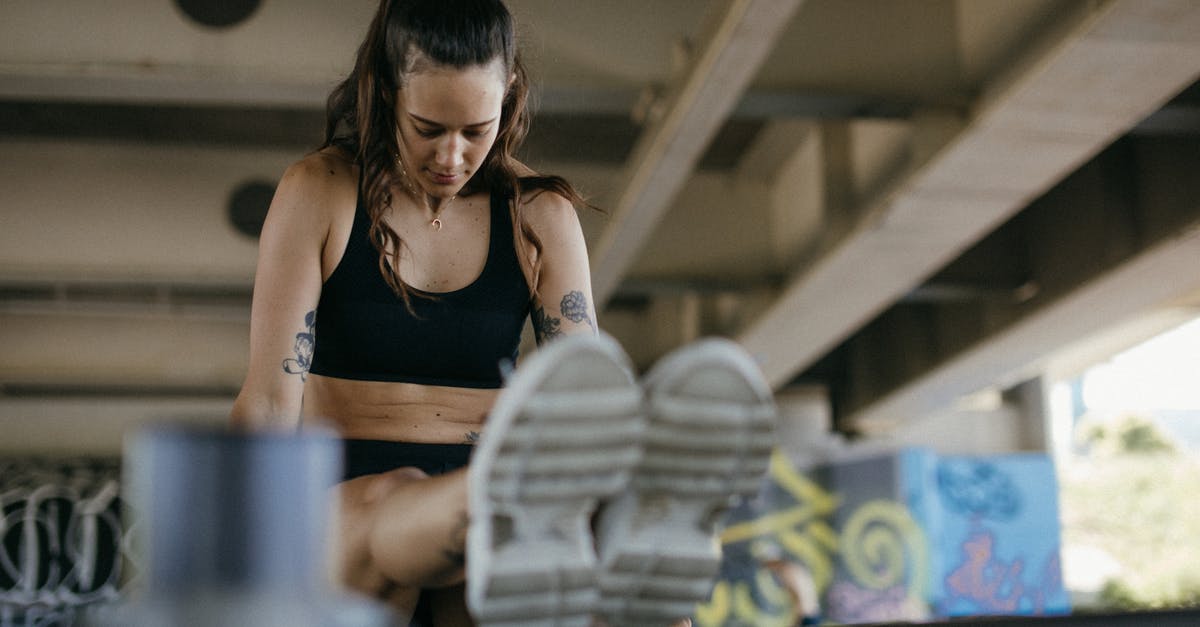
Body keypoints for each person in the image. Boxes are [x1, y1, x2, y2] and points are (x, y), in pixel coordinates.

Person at [231, 1, 775, 625]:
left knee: (596, 589)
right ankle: (513, 506)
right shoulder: (318, 190)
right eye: (428, 128)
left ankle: (587, 519)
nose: (453, 156)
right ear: (384, 91)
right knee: (395, 497)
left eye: (475, 130)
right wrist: (243, 558)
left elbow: (582, 407)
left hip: (497, 513)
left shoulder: (539, 218)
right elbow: (270, 403)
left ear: (510, 94)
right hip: (342, 497)